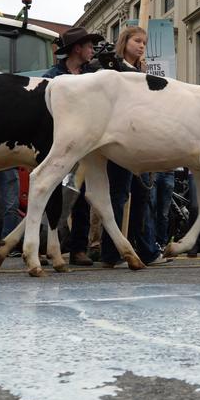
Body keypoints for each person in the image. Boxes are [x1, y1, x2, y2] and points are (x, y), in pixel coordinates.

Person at [98, 25, 165, 267]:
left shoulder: (141, 72)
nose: (141, 46)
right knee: (118, 195)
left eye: (144, 43)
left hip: (141, 141)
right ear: (125, 41)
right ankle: (111, 252)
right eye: (137, 41)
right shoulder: (112, 68)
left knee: (142, 196)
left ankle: (147, 250)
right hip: (119, 140)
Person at [43, 27, 102, 266]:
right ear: (77, 48)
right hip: (57, 145)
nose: (93, 50)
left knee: (82, 198)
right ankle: (46, 246)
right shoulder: (52, 76)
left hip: (84, 146)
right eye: (89, 46)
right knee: (51, 194)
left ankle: (78, 249)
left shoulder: (93, 76)